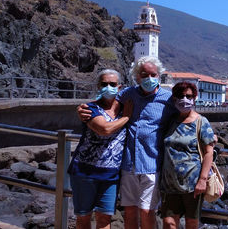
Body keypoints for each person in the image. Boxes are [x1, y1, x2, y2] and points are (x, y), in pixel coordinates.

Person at [77, 56, 176, 229]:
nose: (149, 78)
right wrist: (83, 108)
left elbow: (185, 116)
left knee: (147, 212)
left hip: (152, 164)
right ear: (137, 76)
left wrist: (204, 132)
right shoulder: (128, 94)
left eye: (153, 74)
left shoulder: (168, 99)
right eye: (144, 74)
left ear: (159, 75)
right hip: (128, 164)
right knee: (129, 211)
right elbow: (106, 103)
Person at [69, 69, 131, 229]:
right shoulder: (90, 109)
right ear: (98, 86)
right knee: (83, 218)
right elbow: (104, 129)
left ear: (120, 87)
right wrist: (126, 118)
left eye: (112, 84)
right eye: (104, 84)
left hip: (111, 175)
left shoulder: (126, 107)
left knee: (104, 220)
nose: (108, 87)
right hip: (84, 172)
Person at [160, 81, 216, 229]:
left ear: (194, 98)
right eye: (180, 96)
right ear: (174, 98)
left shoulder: (201, 122)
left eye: (189, 96)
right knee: (169, 223)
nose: (184, 99)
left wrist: (202, 180)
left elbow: (209, 152)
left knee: (191, 223)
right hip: (169, 184)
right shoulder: (170, 120)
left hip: (193, 184)